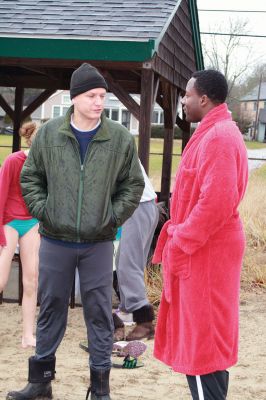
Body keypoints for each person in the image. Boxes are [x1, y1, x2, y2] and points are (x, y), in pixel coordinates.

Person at [6, 63, 144, 400]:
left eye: (102, 95)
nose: (99, 102)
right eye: (92, 95)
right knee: (50, 308)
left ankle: (99, 391)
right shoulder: (49, 134)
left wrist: (112, 217)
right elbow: (31, 179)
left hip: (98, 243)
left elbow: (133, 185)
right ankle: (40, 384)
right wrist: (45, 211)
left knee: (98, 313)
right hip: (55, 239)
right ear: (74, 97)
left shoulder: (121, 139)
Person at [152, 70, 248, 399]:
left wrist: (181, 239)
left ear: (203, 99)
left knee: (203, 346)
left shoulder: (219, 136)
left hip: (206, 252)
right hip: (204, 250)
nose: (182, 100)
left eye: (186, 94)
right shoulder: (214, 131)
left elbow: (217, 201)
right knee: (201, 338)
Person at [0, 122, 39, 349]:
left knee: (32, 281)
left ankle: (27, 335)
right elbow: (2, 192)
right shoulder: (14, 160)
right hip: (9, 221)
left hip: (32, 223)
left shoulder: (46, 165)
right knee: (2, 280)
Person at [113, 161, 159, 342]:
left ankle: (144, 321)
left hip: (136, 204)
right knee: (126, 263)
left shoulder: (104, 138)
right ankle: (127, 311)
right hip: (143, 203)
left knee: (127, 265)